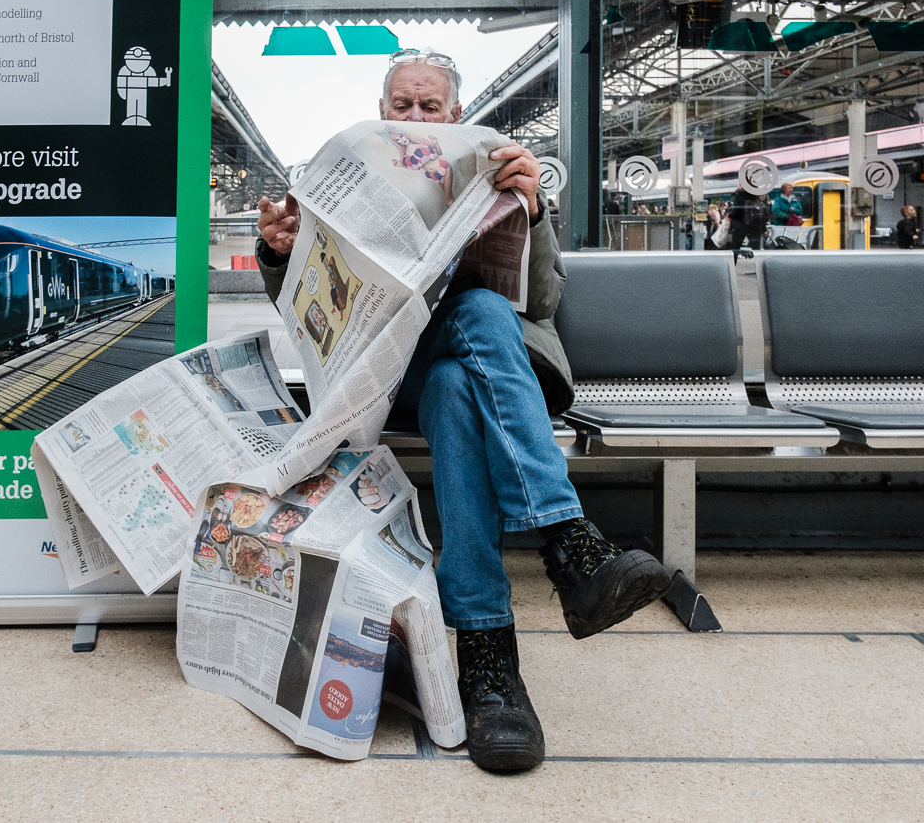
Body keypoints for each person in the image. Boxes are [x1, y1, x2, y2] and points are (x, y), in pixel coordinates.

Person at [254, 49, 672, 773]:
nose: (416, 118)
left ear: (456, 115)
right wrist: (278, 254)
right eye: (402, 106)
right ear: (382, 111)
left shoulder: (498, 168)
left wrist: (533, 211)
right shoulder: (342, 179)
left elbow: (539, 301)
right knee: (452, 359)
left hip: (479, 370)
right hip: (388, 373)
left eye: (431, 107)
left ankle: (489, 657)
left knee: (465, 359)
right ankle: (569, 543)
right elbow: (312, 315)